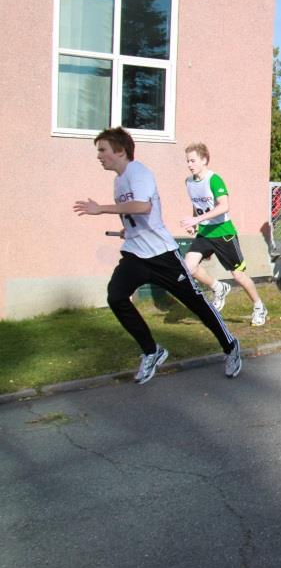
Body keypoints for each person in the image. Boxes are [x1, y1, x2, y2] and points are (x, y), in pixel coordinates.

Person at [73, 127, 241, 384]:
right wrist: (127, 229)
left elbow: (143, 206)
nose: (99, 156)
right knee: (116, 296)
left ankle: (230, 346)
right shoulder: (118, 180)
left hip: (162, 255)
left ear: (120, 151)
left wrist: (101, 209)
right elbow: (136, 214)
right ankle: (152, 351)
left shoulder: (138, 172)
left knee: (195, 303)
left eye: (103, 150)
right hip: (134, 255)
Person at [180, 142, 268, 327]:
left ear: (204, 160)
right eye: (187, 161)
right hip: (205, 233)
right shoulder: (189, 182)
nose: (189, 164)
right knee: (189, 267)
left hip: (224, 233)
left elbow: (224, 206)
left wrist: (197, 220)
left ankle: (259, 306)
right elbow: (197, 205)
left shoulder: (214, 179)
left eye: (193, 160)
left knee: (238, 275)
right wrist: (194, 223)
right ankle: (218, 287)